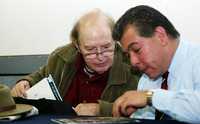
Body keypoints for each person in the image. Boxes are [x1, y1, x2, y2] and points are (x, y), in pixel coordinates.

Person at [11, 9, 139, 116]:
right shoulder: (62, 58)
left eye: (106, 47)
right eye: (90, 49)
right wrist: (26, 82)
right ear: (77, 45)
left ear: (116, 40)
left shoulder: (133, 64)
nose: (100, 56)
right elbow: (43, 75)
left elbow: (143, 108)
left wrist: (101, 109)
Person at [112, 5, 200, 124]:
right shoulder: (147, 80)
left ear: (161, 36)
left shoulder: (196, 59)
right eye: (128, 55)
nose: (133, 62)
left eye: (137, 50)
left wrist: (151, 97)